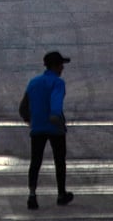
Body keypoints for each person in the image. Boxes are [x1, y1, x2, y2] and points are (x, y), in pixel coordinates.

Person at [22, 51, 73, 210]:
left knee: (35, 161)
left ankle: (32, 195)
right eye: (60, 65)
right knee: (59, 161)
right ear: (55, 66)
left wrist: (31, 121)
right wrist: (56, 118)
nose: (62, 68)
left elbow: (23, 107)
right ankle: (61, 194)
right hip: (54, 127)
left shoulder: (33, 82)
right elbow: (56, 102)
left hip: (37, 127)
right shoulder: (58, 83)